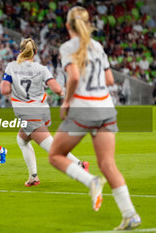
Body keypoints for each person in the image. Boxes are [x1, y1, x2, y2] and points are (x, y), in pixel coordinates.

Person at [48, 6, 141, 230]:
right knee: (108, 164)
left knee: (55, 155)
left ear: (67, 25)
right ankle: (130, 214)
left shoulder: (68, 46)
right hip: (107, 109)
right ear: (88, 23)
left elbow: (74, 77)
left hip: (84, 109)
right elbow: (109, 79)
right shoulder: (97, 46)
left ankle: (91, 181)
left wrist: (67, 101)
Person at [0, 38, 88, 187]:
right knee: (22, 140)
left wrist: (15, 88)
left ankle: (79, 164)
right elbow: (57, 89)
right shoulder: (42, 68)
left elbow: (4, 90)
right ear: (34, 52)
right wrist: (61, 94)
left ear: (20, 51)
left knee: (52, 147)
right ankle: (33, 176)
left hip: (27, 112)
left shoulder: (11, 67)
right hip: (40, 110)